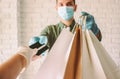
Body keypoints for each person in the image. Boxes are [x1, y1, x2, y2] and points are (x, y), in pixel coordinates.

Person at [29, 0, 102, 57]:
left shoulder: (83, 28)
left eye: (69, 4)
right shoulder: (50, 30)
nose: (65, 7)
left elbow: (97, 40)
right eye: (61, 4)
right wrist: (37, 45)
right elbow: (39, 51)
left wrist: (93, 31)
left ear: (75, 7)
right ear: (56, 8)